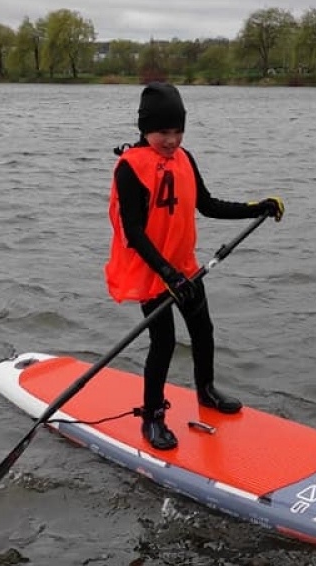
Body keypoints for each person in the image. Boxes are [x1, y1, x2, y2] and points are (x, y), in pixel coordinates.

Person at [105, 81, 284, 450]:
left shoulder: (185, 157)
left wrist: (257, 207)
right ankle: (152, 418)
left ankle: (206, 392)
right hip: (153, 271)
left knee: (203, 332)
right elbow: (134, 232)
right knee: (164, 342)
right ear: (144, 129)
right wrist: (166, 273)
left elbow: (207, 204)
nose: (171, 140)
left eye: (177, 131)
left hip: (184, 267)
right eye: (162, 132)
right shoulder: (130, 168)